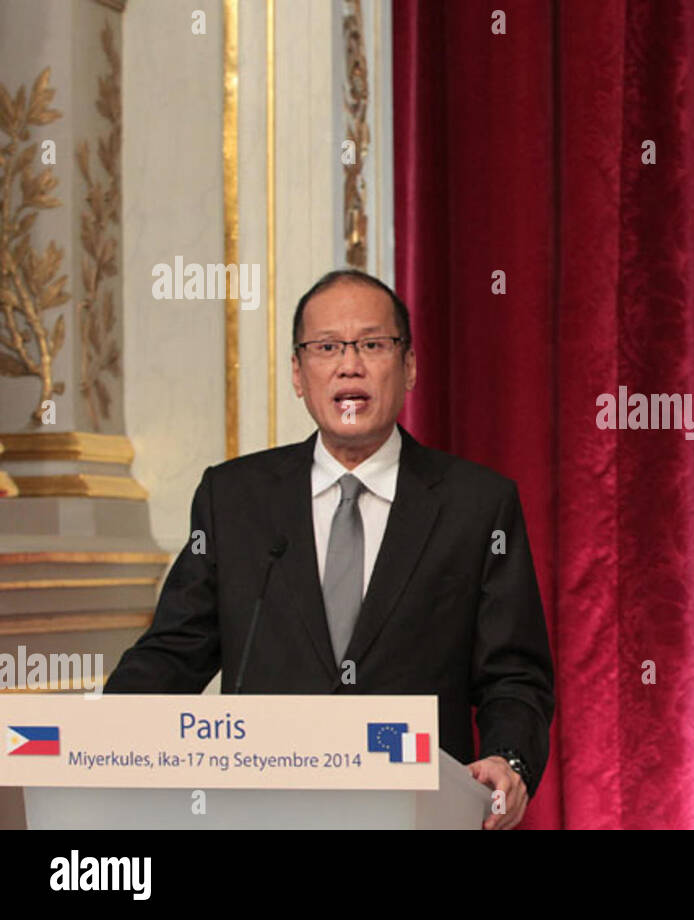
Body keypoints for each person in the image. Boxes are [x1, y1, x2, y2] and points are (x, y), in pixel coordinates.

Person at [106, 269, 554, 829]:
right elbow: (172, 654)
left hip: (416, 813)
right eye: (326, 348)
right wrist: (97, 736)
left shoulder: (478, 504)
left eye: (372, 344)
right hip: (264, 812)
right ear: (298, 373)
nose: (350, 364)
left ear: (409, 366)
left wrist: (509, 760)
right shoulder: (234, 499)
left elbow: (514, 675)